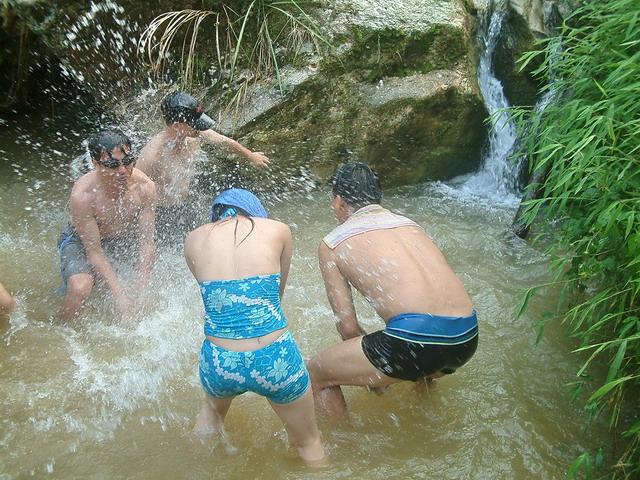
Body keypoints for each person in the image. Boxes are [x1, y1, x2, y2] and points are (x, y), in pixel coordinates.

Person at [307, 163, 478, 420]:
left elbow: (348, 328)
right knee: (423, 351)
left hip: (417, 341)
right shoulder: (411, 225)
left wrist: (374, 375)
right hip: (466, 337)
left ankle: (343, 442)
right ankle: (429, 421)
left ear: (340, 202)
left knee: (315, 372)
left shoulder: (333, 243)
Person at [184, 188, 327, 466]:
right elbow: (276, 297)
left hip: (219, 361)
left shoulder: (193, 239)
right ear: (256, 213)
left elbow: (212, 298)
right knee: (309, 442)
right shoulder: (278, 230)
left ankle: (194, 468)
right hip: (273, 356)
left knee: (211, 415)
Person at [137, 91, 270, 241]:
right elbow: (135, 189)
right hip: (163, 213)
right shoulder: (152, 155)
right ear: (177, 125)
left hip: (186, 202)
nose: (199, 127)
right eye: (194, 123)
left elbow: (224, 142)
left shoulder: (191, 134)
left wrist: (250, 155)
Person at [58, 129, 157, 322]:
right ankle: (61, 330)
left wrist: (141, 291)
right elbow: (94, 252)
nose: (122, 171)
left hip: (119, 238)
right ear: (95, 164)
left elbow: (147, 243)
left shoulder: (145, 187)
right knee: (81, 287)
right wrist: (120, 298)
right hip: (81, 241)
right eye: (112, 165)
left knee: (140, 298)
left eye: (128, 162)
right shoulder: (83, 195)